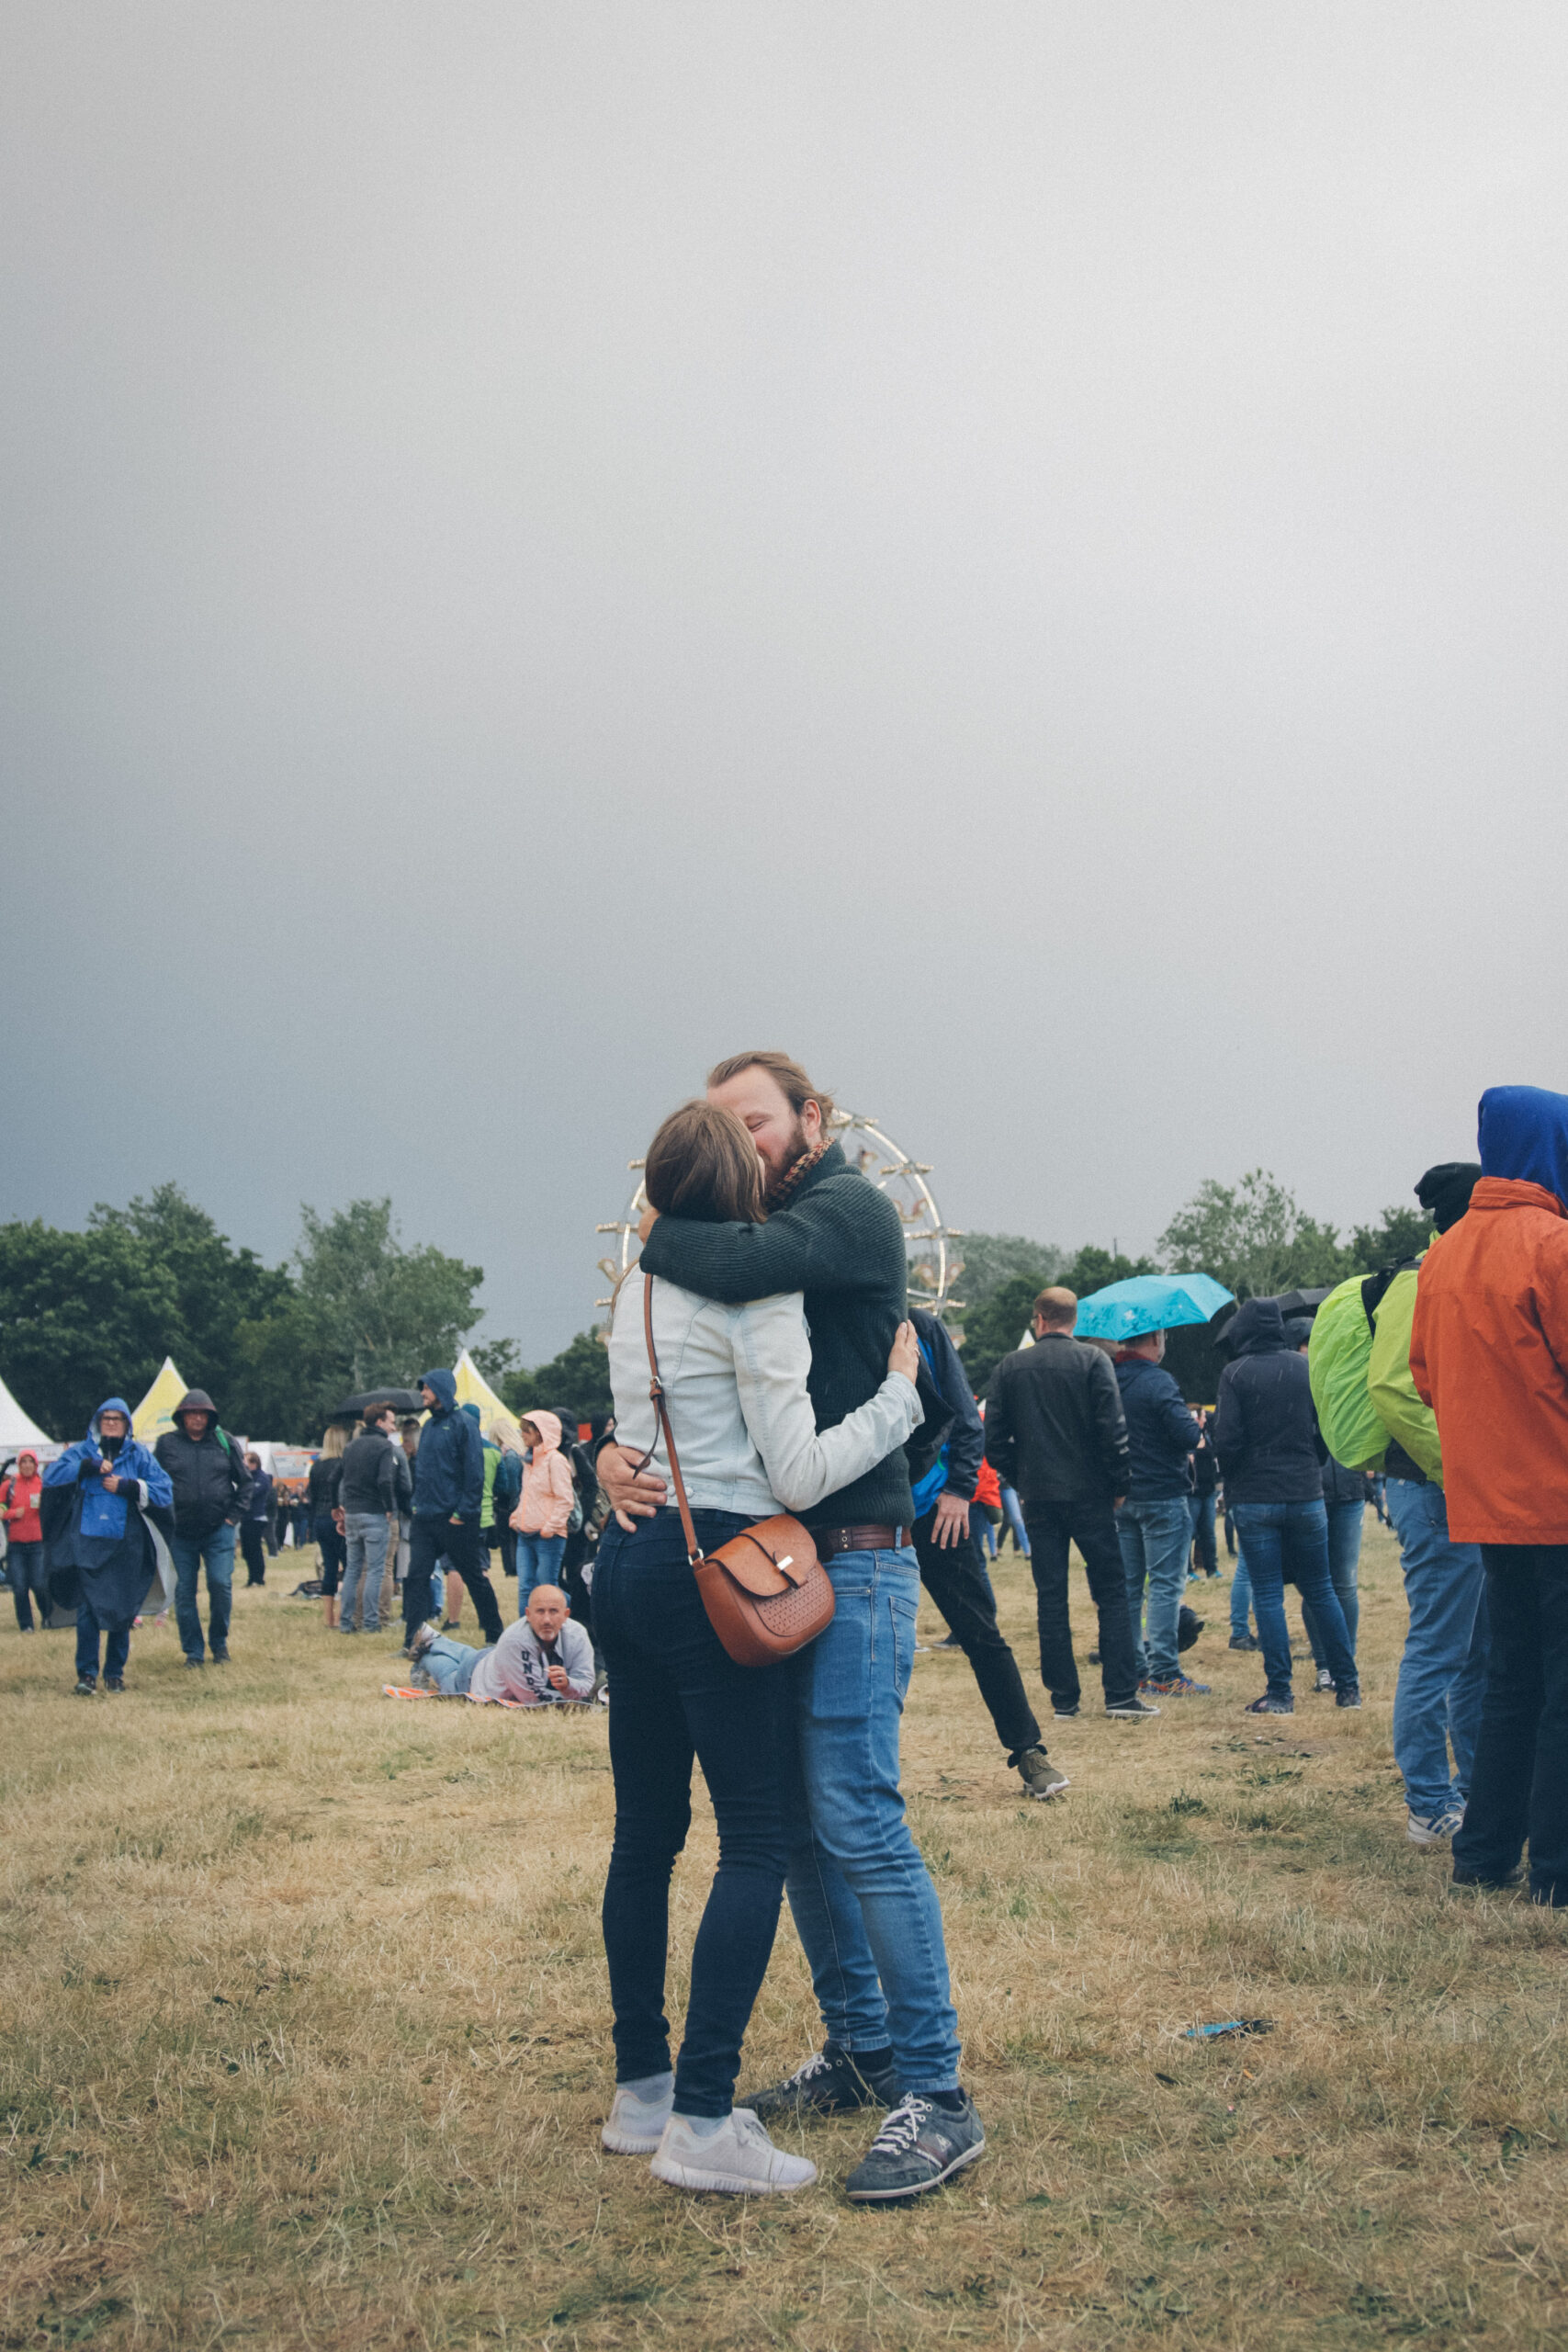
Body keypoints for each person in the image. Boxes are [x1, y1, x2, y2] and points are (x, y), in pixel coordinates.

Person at [601, 1052, 987, 2203]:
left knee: (858, 1820)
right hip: (775, 1559)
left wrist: (665, 1209)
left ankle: (938, 2091)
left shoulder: (848, 1210)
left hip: (854, 1560)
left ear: (811, 1120)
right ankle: (863, 2046)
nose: (741, 1140)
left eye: (756, 1119)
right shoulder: (732, 1242)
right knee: (806, 1829)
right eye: (719, 1127)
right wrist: (613, 1455)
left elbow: (713, 1253)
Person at [1411, 1091, 1568, 1903]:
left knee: (1511, 1682)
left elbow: (1425, 1380)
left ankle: (1482, 1857)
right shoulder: (1553, 1244)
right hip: (1559, 1500)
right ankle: (1557, 1874)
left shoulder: (1443, 1254)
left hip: (1489, 1507)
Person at [1363, 1162, 1488, 1845]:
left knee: (1477, 1650)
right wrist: (1456, 1468)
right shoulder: (1420, 1278)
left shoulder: (1447, 1272)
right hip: (1433, 1486)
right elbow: (1390, 1386)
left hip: (1454, 1487)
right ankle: (1426, 1803)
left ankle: (1472, 1791)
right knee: (1439, 1649)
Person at [906, 1306, 1056, 1794]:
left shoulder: (921, 1326)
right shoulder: (812, 1316)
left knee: (981, 1634)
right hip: (859, 1512)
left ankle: (1028, 1750)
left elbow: (967, 1419)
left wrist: (959, 1488)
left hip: (933, 1507)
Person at [985, 1288, 1153, 1723]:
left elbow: (995, 1441)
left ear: (1039, 1319)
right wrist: (1119, 1485)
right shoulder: (1094, 1361)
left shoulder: (1010, 1367)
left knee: (1051, 1597)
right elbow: (1113, 1433)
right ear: (1072, 1320)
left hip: (1039, 1497)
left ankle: (1064, 1698)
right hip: (1091, 1495)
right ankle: (1120, 1693)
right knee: (1112, 1593)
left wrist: (1022, 1480)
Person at [1212, 1299, 1359, 1714]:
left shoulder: (1234, 1374)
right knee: (1322, 1589)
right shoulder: (1304, 1368)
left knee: (1268, 1595)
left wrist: (1238, 1474)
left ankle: (1280, 1693)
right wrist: (1310, 1461)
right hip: (1306, 1493)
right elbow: (1327, 1428)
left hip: (1256, 1497)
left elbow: (1227, 1439)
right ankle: (1347, 1687)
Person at [41, 1398, 173, 1693]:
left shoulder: (139, 1455)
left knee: (122, 1612)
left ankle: (115, 1674)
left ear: (127, 1424)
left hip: (127, 1545)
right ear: (97, 1422)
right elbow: (50, 1477)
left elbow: (165, 1489)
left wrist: (129, 1486)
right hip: (87, 1543)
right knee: (88, 1612)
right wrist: (85, 1467)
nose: (111, 1422)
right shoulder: (82, 1452)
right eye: (106, 1418)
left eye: (118, 1418)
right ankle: (86, 1675)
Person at [1114, 1329, 1209, 1698]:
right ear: (1155, 1339)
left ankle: (1135, 1669)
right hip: (1163, 1494)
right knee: (1166, 1586)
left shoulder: (1107, 1377)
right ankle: (1164, 1671)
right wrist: (1194, 1426)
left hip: (1122, 1496)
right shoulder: (1158, 1381)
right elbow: (1187, 1436)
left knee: (1129, 1588)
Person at [403, 1369, 502, 1651]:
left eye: (426, 1388)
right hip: (425, 1518)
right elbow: (422, 1471)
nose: (422, 1393)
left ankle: (495, 1635)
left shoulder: (464, 1423)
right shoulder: (429, 1426)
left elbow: (475, 1473)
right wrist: (416, 1506)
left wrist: (462, 1513)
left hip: (455, 1520)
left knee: (473, 1576)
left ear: (441, 1390)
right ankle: (413, 1642)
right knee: (416, 1578)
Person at [154, 1387, 253, 1667]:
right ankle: (194, 1652)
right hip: (180, 1532)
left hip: (218, 1529)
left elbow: (246, 1482)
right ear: (181, 1416)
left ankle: (219, 1644)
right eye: (191, 1413)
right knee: (184, 1592)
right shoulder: (166, 1445)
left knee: (220, 1584)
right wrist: (163, 1518)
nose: (197, 1418)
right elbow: (153, 1482)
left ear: (211, 1417)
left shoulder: (225, 1442)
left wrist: (233, 1517)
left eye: (202, 1413)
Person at [412, 1581, 595, 1702]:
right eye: (540, 1611)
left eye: (554, 1611)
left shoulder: (577, 1634)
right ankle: (425, 1658)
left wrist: (568, 1684)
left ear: (566, 1615)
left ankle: (436, 1642)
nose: (547, 1620)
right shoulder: (516, 1639)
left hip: (494, 1657)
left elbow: (586, 1681)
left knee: (470, 1655)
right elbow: (532, 1699)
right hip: (474, 1677)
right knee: (448, 1676)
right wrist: (570, 1695)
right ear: (528, 1615)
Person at [338, 1404, 406, 1635]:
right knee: (377, 1570)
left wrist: (337, 1506)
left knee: (352, 1569)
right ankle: (370, 1622)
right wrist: (389, 1507)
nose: (393, 1426)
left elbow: (333, 1478)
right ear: (379, 1422)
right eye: (390, 1421)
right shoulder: (384, 1446)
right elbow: (385, 1480)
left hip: (352, 1513)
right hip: (375, 1513)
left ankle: (346, 1623)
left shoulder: (351, 1446)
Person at [510, 1410, 576, 1606]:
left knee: (546, 1587)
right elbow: (527, 1496)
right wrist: (516, 1517)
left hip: (549, 1537)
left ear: (540, 1432)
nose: (522, 1435)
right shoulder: (529, 1461)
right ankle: (526, 1634)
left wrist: (550, 1527)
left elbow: (565, 1499)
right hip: (526, 1534)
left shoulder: (555, 1461)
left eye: (527, 1431)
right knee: (525, 1587)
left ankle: (579, 1611)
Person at [2, 1450, 49, 1631]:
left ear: (36, 1465)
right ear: (19, 1464)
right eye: (24, 1462)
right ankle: (26, 1625)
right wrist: (12, 1513)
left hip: (38, 1544)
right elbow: (1, 1508)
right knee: (20, 1587)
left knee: (39, 1584)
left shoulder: (43, 1484)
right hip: (16, 1546)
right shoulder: (9, 1485)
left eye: (31, 1462)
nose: (27, 1465)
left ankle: (47, 1617)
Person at [308, 1425, 348, 1628]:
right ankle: (342, 1615)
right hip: (339, 1518)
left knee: (329, 1568)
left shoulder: (316, 1466)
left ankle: (328, 1619)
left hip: (320, 1519)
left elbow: (311, 1497)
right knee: (349, 1567)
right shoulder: (343, 1464)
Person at [1189, 1409, 1221, 1578]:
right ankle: (1188, 1571)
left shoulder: (1208, 1436)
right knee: (1190, 1532)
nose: (1202, 1420)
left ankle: (1211, 1568)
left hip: (1208, 1491)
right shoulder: (1187, 1438)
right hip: (1193, 1492)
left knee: (1208, 1532)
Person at [239, 1455, 272, 1586]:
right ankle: (251, 1577)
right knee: (247, 1550)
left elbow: (250, 1494)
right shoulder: (247, 1477)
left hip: (257, 1517)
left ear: (255, 1463)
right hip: (246, 1518)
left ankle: (258, 1578)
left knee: (254, 1549)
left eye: (246, 1463)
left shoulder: (262, 1478)